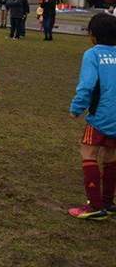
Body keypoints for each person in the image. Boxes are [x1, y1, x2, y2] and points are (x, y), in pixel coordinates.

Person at [68, 13, 116, 220]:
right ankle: (108, 202)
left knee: (88, 153)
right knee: (111, 156)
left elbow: (87, 85)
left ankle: (95, 206)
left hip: (100, 114)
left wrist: (76, 108)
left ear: (91, 34)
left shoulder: (92, 54)